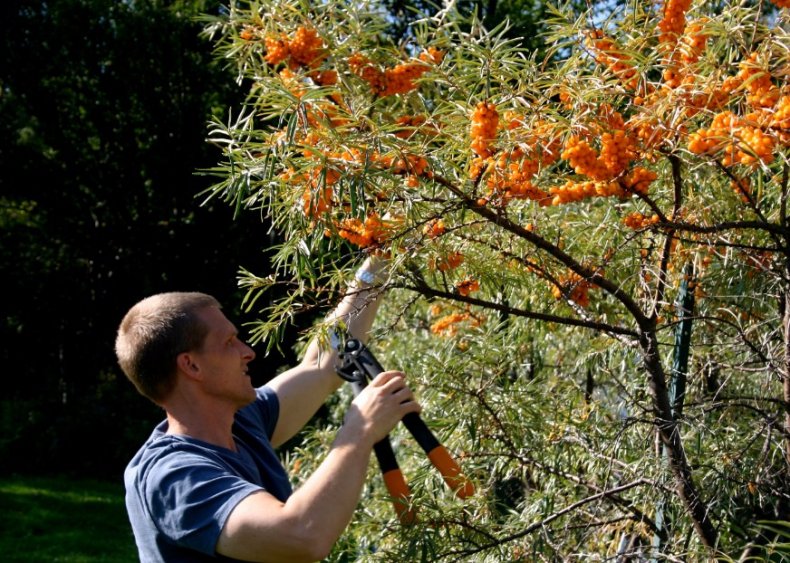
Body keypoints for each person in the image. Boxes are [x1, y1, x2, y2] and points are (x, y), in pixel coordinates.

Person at [115, 257, 420, 562]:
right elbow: (300, 536)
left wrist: (377, 262)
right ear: (191, 365)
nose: (248, 352)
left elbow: (324, 364)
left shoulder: (242, 421)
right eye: (229, 342)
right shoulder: (172, 476)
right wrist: (360, 429)